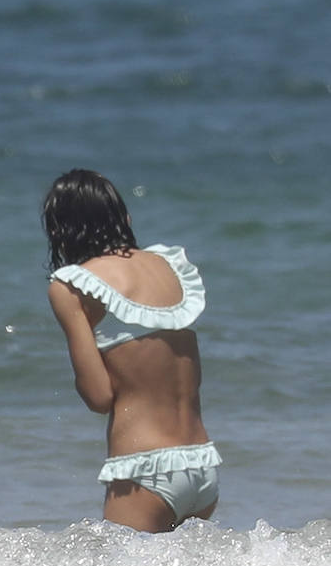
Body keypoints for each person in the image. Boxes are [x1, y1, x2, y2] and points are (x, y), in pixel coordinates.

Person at [42, 168, 220, 533]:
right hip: (202, 464)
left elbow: (99, 396)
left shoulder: (71, 285)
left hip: (143, 469)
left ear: (60, 230)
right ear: (124, 217)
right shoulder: (168, 265)